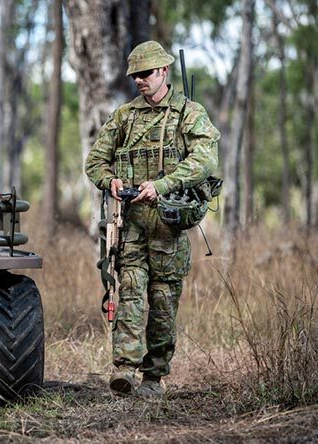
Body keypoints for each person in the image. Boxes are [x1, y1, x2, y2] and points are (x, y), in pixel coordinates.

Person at [84, 41, 219, 397]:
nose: (139, 81)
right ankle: (125, 371)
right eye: (134, 76)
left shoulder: (188, 114)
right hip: (131, 225)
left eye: (145, 74)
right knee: (129, 293)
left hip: (169, 226)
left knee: (162, 302)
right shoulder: (124, 116)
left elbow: (204, 161)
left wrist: (162, 185)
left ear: (164, 72)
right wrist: (109, 180)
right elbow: (95, 161)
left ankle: (154, 377)